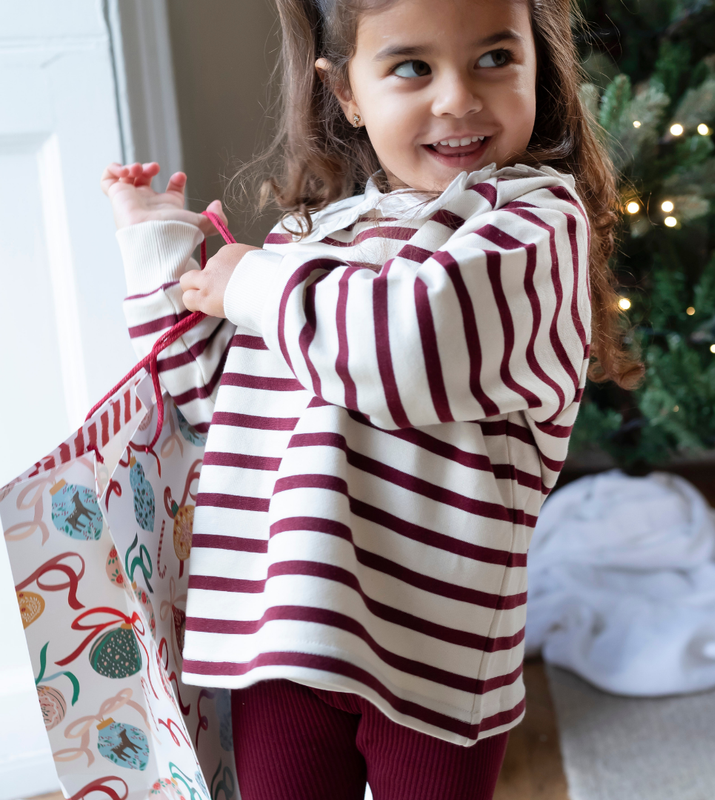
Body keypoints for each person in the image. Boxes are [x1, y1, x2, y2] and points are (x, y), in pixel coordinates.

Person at [101, 0, 643, 795]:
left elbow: (409, 345)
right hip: (278, 625)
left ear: (541, 64)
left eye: (495, 58)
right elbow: (217, 406)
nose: (458, 98)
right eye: (414, 68)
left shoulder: (531, 224)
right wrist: (159, 254)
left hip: (437, 649)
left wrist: (250, 281)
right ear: (347, 93)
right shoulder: (305, 243)